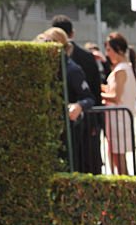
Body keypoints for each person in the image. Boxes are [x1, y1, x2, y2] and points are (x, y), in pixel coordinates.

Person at [35, 27, 94, 171]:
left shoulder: (72, 69)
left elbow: (89, 97)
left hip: (67, 131)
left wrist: (79, 106)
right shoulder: (41, 67)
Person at [52, 14, 102, 173]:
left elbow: (91, 91)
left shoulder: (73, 65)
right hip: (85, 118)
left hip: (77, 118)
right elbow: (96, 88)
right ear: (72, 33)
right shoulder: (87, 57)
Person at [101, 31, 136, 175]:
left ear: (119, 50)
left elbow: (116, 96)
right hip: (117, 118)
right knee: (116, 156)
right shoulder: (122, 68)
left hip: (119, 120)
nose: (107, 53)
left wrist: (98, 95)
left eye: (109, 49)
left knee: (119, 158)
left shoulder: (121, 70)